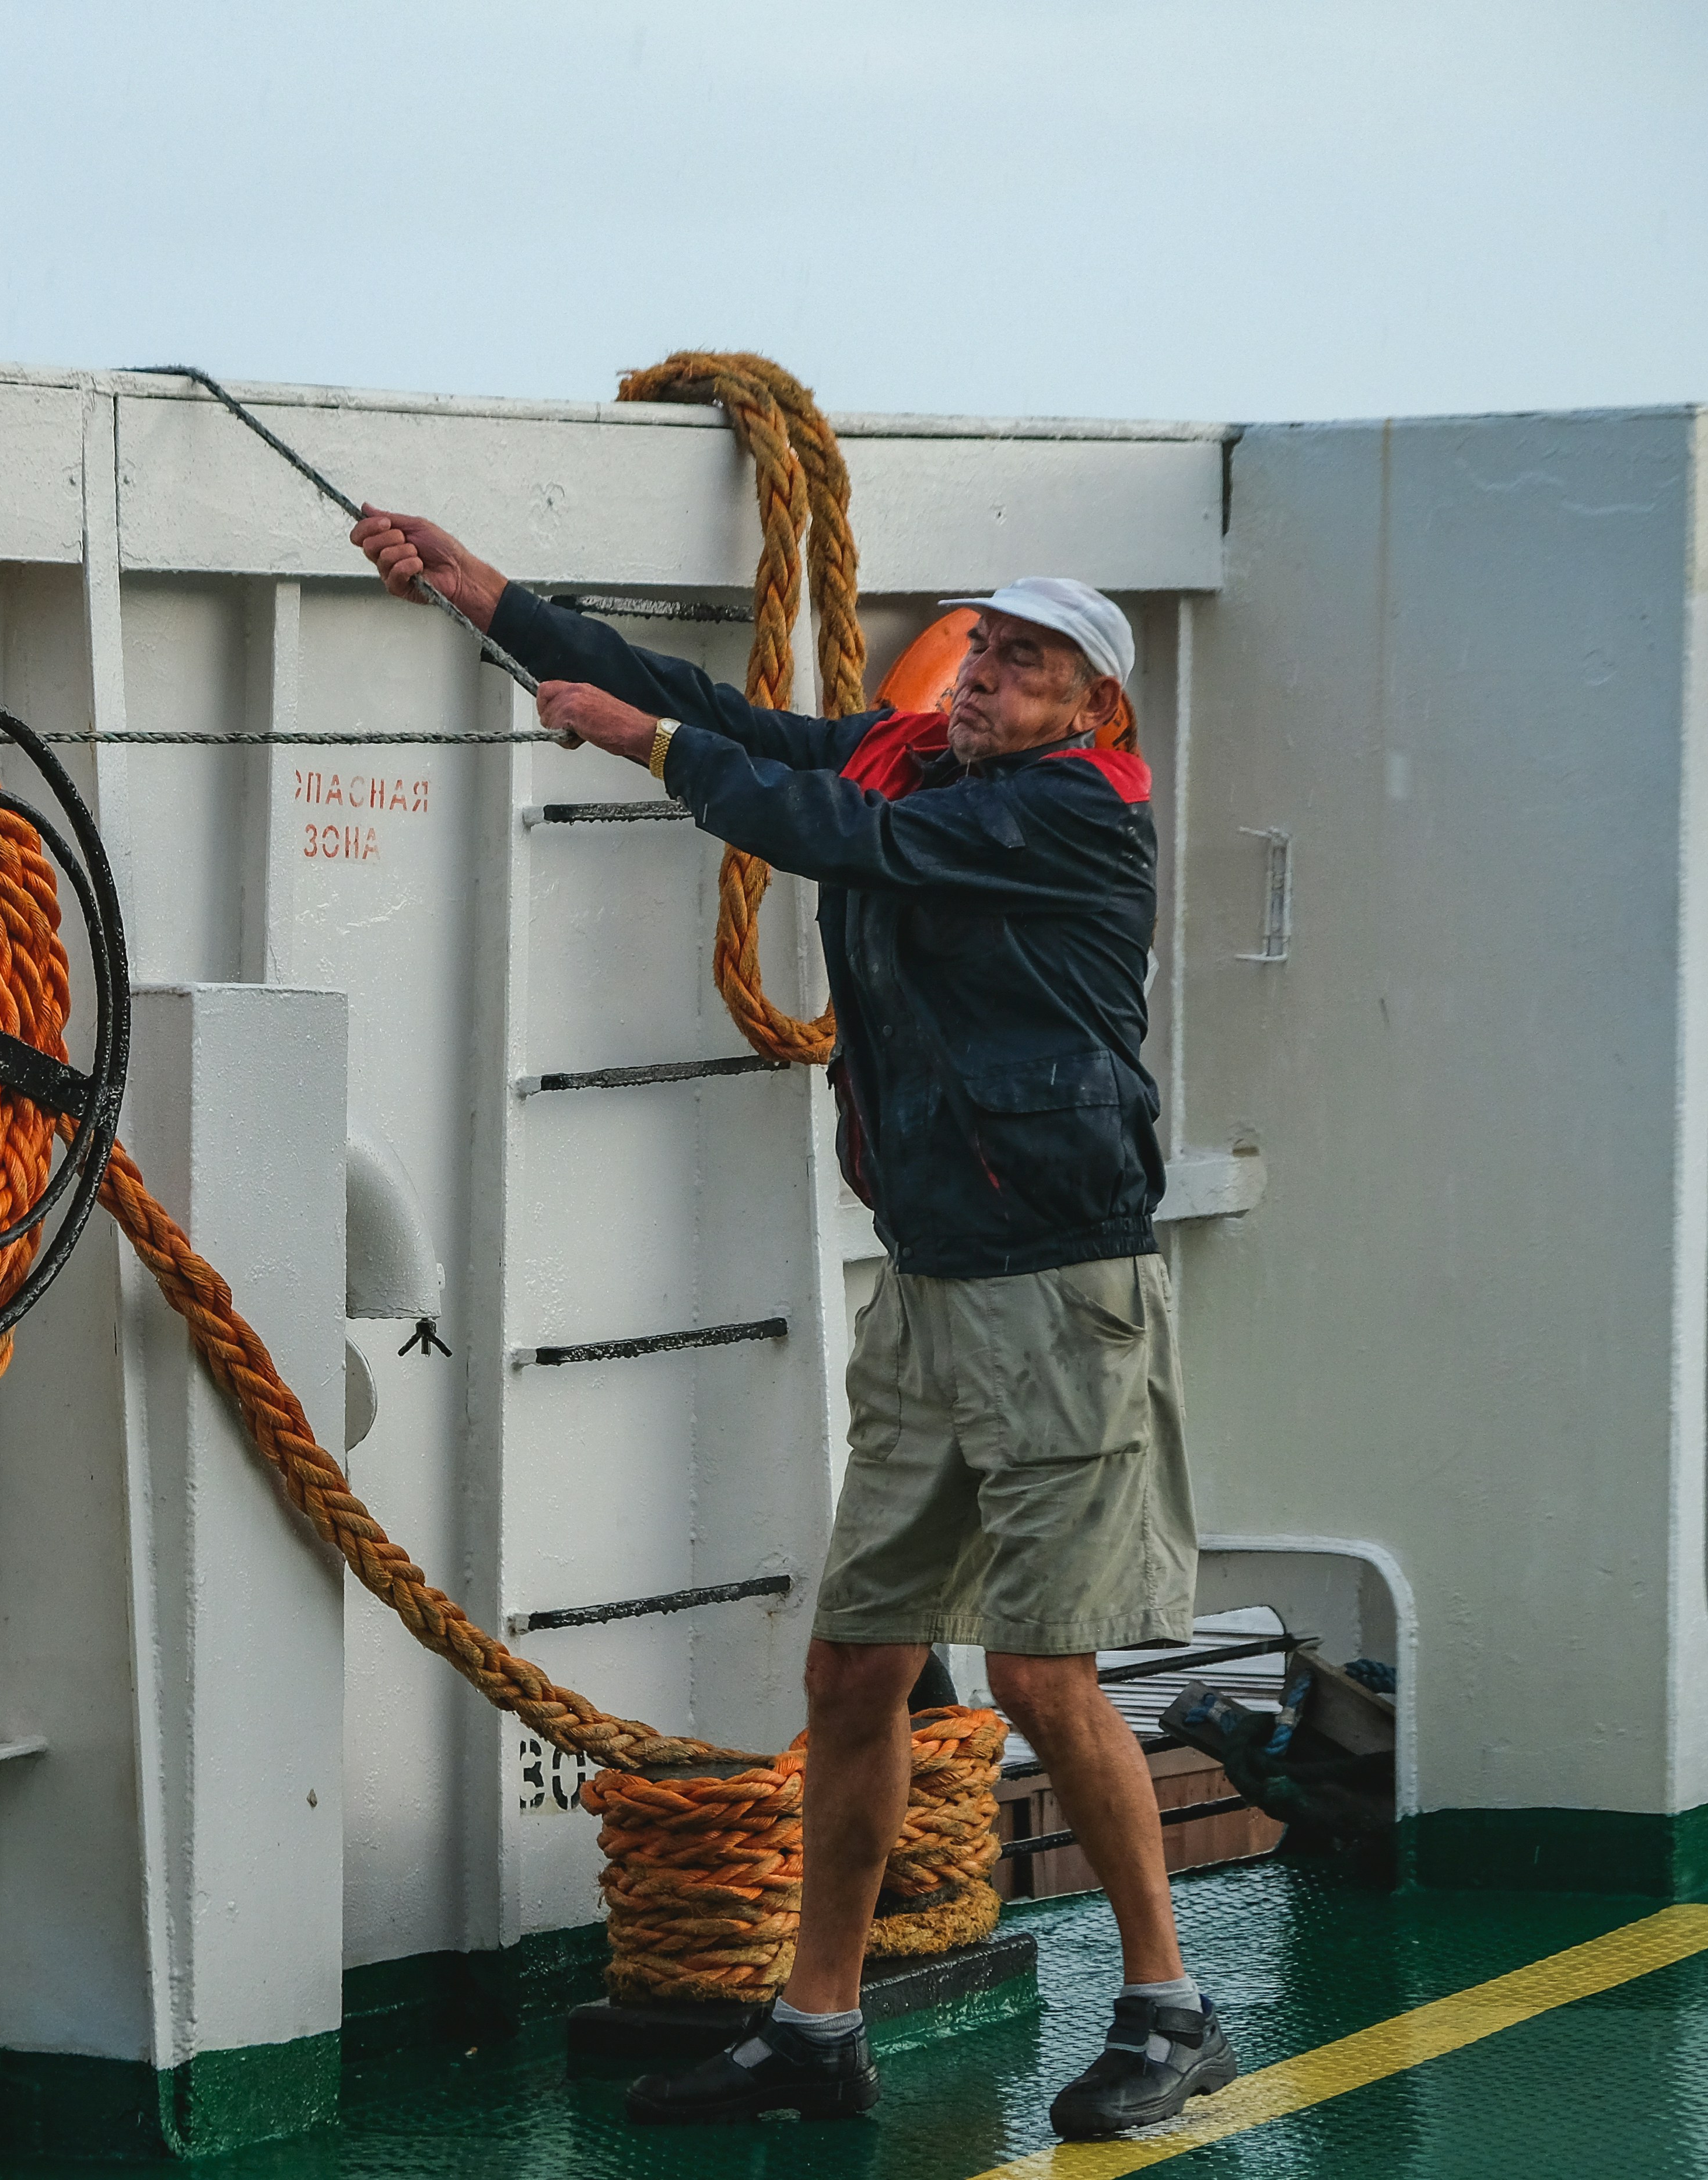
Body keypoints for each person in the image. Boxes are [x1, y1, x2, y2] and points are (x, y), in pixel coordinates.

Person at [350, 508, 1233, 2143]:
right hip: (930, 1287)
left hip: (1061, 1297)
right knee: (855, 1668)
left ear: (1091, 708)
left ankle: (1170, 2004)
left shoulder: (1071, 820)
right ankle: (816, 2029)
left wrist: (646, 747)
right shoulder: (927, 759)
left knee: (1044, 1679)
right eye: (982, 649)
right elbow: (744, 727)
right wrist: (498, 603)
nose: (981, 677)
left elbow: (817, 824)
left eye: (1025, 663)